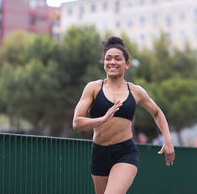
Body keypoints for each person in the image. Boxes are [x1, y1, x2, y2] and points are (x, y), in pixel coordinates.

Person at [72, 36, 175, 194]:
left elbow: (157, 112)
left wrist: (168, 139)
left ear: (126, 64)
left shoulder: (135, 91)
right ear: (104, 63)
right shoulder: (93, 88)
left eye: (118, 59)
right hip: (99, 153)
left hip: (124, 153)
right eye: (108, 58)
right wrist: (102, 119)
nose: (112, 62)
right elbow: (77, 123)